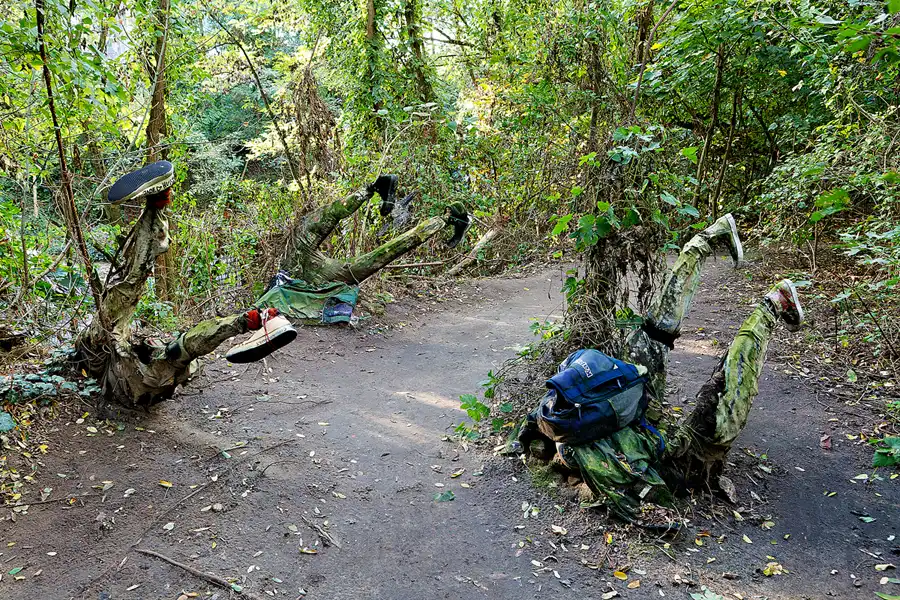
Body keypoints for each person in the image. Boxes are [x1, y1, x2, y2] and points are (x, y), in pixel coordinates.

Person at [524, 215, 805, 520]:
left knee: (729, 386)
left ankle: (773, 304)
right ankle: (710, 239)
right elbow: (532, 423)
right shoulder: (556, 416)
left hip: (661, 433)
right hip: (630, 397)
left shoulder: (595, 461)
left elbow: (651, 500)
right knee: (656, 331)